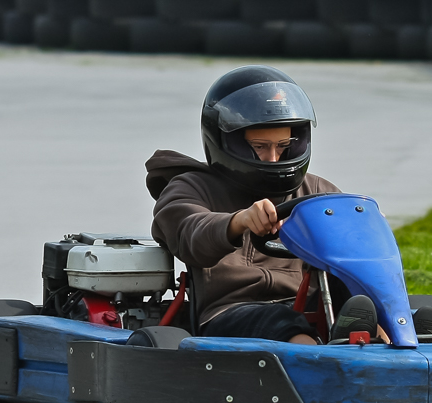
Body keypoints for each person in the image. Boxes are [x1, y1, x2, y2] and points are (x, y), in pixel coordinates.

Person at [147, 65, 379, 344]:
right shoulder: (190, 188)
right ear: (228, 141)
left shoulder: (317, 191)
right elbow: (190, 233)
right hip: (228, 314)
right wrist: (239, 221)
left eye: (283, 146)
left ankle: (397, 353)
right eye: (259, 146)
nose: (273, 159)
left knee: (373, 301)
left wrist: (368, 229)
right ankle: (323, 368)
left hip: (308, 304)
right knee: (282, 322)